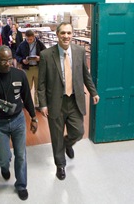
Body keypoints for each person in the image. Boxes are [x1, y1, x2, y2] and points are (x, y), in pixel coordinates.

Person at [37, 22, 100, 180]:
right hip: (55, 102)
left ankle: (68, 143)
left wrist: (93, 92)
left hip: (74, 100)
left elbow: (86, 75)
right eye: (63, 33)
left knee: (78, 132)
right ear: (57, 34)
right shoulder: (46, 55)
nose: (66, 36)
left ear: (72, 34)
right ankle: (60, 165)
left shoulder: (79, 51)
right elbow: (41, 83)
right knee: (56, 136)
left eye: (69, 33)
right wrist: (43, 104)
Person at [0, 45, 38, 201]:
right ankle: (3, 165)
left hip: (18, 121)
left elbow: (27, 98)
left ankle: (21, 185)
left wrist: (33, 117)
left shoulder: (20, 75)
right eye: (3, 60)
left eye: (9, 59)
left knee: (21, 155)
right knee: (5, 157)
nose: (7, 63)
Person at [16, 29, 46, 108]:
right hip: (27, 69)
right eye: (27, 39)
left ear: (34, 37)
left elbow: (46, 54)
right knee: (27, 87)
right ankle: (27, 103)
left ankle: (38, 104)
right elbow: (17, 55)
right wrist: (22, 60)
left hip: (38, 68)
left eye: (30, 39)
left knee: (38, 88)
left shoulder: (40, 44)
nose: (29, 41)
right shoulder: (22, 45)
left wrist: (40, 58)